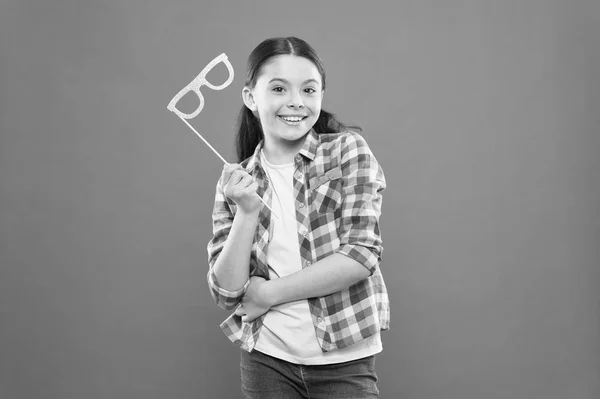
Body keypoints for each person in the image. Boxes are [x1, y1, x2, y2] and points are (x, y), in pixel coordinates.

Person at [207, 36, 389, 399]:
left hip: (345, 360)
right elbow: (226, 292)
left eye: (309, 89)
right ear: (250, 98)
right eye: (278, 88)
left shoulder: (346, 151)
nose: (295, 102)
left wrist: (269, 293)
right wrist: (246, 212)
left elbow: (361, 254)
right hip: (266, 361)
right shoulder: (237, 181)